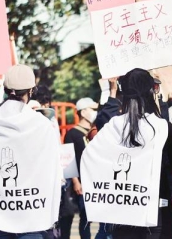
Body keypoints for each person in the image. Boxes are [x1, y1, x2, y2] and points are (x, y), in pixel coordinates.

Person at [81, 68, 172, 239]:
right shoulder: (163, 127)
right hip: (156, 212)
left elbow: (89, 154)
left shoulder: (113, 126)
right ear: (153, 90)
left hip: (122, 211)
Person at [0, 64, 61, 238]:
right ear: (31, 91)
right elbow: (52, 167)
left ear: (6, 89)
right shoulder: (41, 124)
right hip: (31, 211)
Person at [62, 97, 99, 239]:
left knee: (91, 216)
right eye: (92, 109)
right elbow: (68, 160)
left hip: (95, 180)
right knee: (84, 216)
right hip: (82, 182)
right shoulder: (72, 134)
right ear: (83, 112)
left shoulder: (96, 131)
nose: (95, 112)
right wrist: (76, 181)